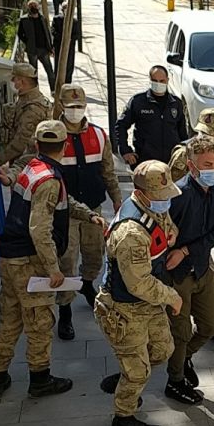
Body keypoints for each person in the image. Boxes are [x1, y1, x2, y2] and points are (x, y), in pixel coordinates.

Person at [0, 121, 105, 399]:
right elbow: (40, 228)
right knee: (40, 321)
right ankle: (40, 379)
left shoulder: (33, 168)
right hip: (29, 261)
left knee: (11, 317)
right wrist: (53, 269)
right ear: (65, 147)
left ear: (37, 145)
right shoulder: (50, 179)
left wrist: (88, 214)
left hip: (10, 257)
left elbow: (62, 202)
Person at [95, 161, 183, 426]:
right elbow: (139, 283)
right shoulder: (131, 234)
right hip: (125, 307)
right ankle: (124, 418)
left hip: (146, 303)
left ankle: (127, 378)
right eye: (161, 197)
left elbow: (165, 223)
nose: (165, 201)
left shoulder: (151, 207)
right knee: (138, 371)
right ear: (141, 193)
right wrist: (172, 297)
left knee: (163, 348)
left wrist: (172, 232)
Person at [153, 136, 214, 405]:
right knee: (180, 330)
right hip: (178, 275)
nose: (213, 170)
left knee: (211, 325)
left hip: (201, 268)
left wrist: (186, 250)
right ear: (191, 165)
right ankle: (175, 381)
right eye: (207, 164)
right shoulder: (178, 195)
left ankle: (184, 356)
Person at [55, 84, 122, 340]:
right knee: (68, 260)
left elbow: (108, 171)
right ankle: (65, 310)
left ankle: (87, 284)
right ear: (61, 106)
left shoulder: (98, 135)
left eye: (79, 106)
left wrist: (117, 198)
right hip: (66, 211)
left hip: (93, 207)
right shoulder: (53, 134)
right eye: (70, 107)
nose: (75, 111)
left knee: (95, 255)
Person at [168, 108, 214, 346]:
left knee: (205, 282)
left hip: (207, 227)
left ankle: (210, 323)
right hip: (185, 231)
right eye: (201, 132)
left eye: (212, 134)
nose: (203, 138)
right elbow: (175, 194)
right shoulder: (184, 155)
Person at [115, 65, 189, 166]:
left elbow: (182, 133)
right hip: (145, 161)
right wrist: (125, 150)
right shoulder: (138, 102)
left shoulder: (176, 103)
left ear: (167, 80)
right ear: (150, 80)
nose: (158, 84)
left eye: (162, 81)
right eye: (155, 80)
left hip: (171, 162)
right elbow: (121, 126)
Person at [0, 63, 52, 169]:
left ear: (22, 81)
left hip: (26, 165)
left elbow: (20, 142)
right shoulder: (26, 99)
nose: (12, 82)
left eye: (14, 79)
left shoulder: (33, 108)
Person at [17, 1, 55, 84]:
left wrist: (51, 47)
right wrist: (27, 41)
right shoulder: (24, 20)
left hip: (44, 49)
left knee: (50, 72)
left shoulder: (42, 18)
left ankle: (53, 90)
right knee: (34, 73)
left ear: (38, 7)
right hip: (32, 50)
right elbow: (20, 33)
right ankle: (35, 90)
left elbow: (47, 33)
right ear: (29, 8)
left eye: (35, 5)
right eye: (31, 6)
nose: (34, 7)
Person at [51, 12, 80, 83]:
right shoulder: (57, 19)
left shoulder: (74, 21)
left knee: (69, 66)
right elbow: (53, 31)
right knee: (58, 65)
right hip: (59, 46)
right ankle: (57, 84)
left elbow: (77, 35)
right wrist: (62, 38)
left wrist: (69, 39)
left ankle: (68, 83)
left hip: (70, 48)